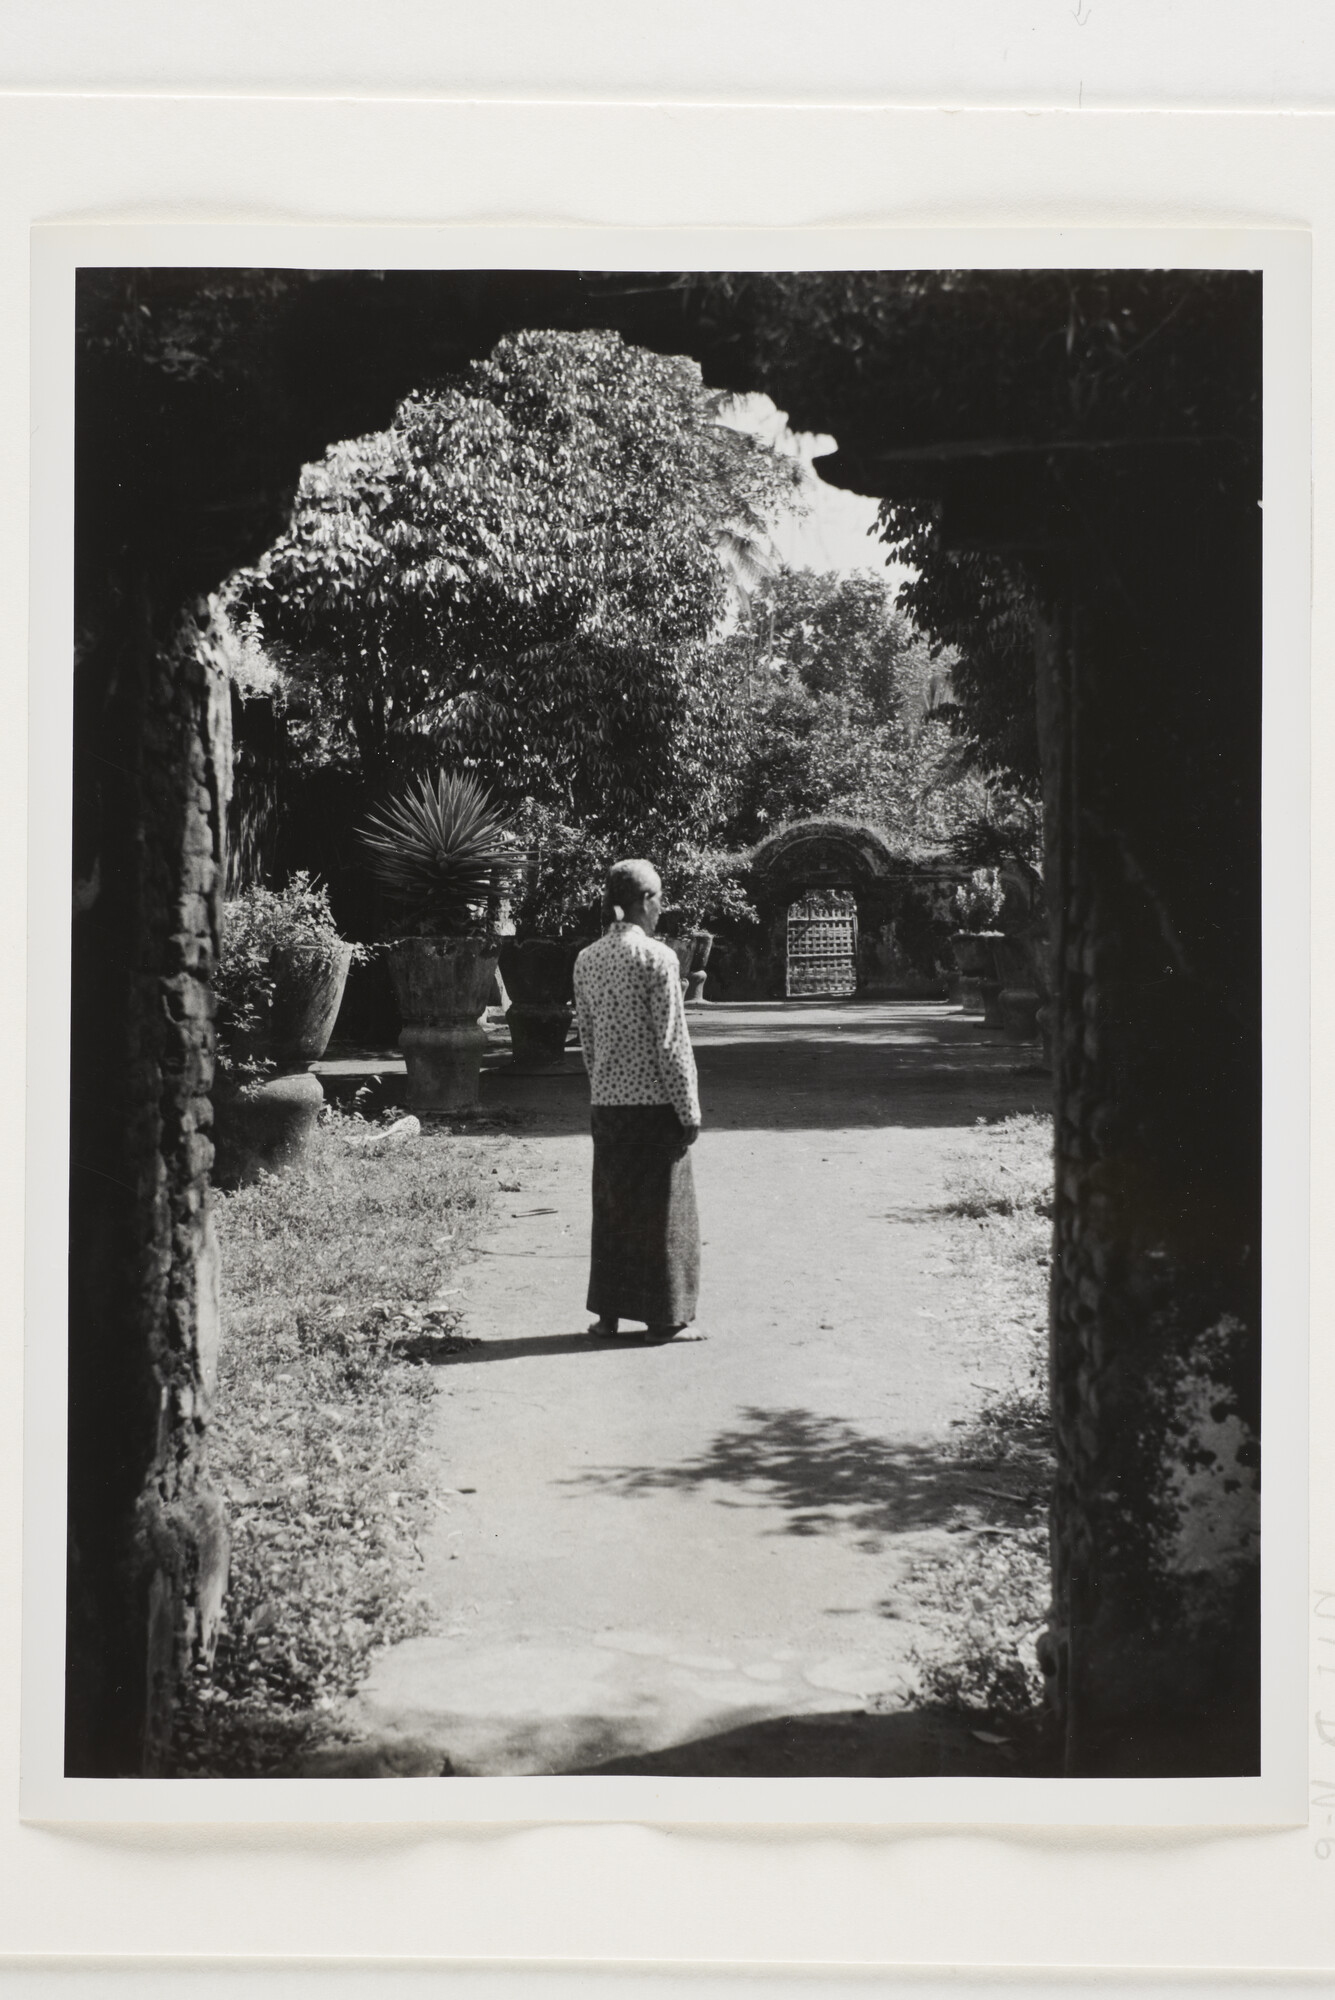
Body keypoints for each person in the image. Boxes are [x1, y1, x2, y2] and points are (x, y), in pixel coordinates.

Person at [572, 859, 701, 1342]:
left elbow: (586, 1036)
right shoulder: (658, 959)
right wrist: (688, 1110)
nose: (662, 906)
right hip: (655, 1107)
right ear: (645, 900)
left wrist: (602, 1085)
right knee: (665, 1212)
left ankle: (607, 1316)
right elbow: (672, 1043)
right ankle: (662, 1319)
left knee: (613, 1210)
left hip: (608, 1104)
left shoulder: (586, 959)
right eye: (660, 896)